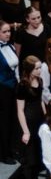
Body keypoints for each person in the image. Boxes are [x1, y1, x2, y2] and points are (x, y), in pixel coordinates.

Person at [0, 21, 17, 165]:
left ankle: (12, 149)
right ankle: (4, 153)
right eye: (4, 32)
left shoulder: (10, 46)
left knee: (12, 120)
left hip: (13, 87)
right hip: (2, 89)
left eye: (8, 31)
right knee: (4, 122)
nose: (8, 34)